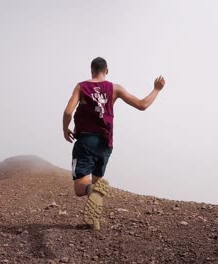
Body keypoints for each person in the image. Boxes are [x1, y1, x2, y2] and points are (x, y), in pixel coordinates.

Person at [62, 57, 165, 230]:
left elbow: (68, 111)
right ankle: (93, 221)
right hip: (105, 144)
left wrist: (65, 128)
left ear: (91, 71)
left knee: (81, 188)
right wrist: (157, 89)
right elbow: (142, 105)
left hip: (86, 141)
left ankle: (92, 191)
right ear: (106, 71)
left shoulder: (81, 86)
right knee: (95, 180)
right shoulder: (115, 88)